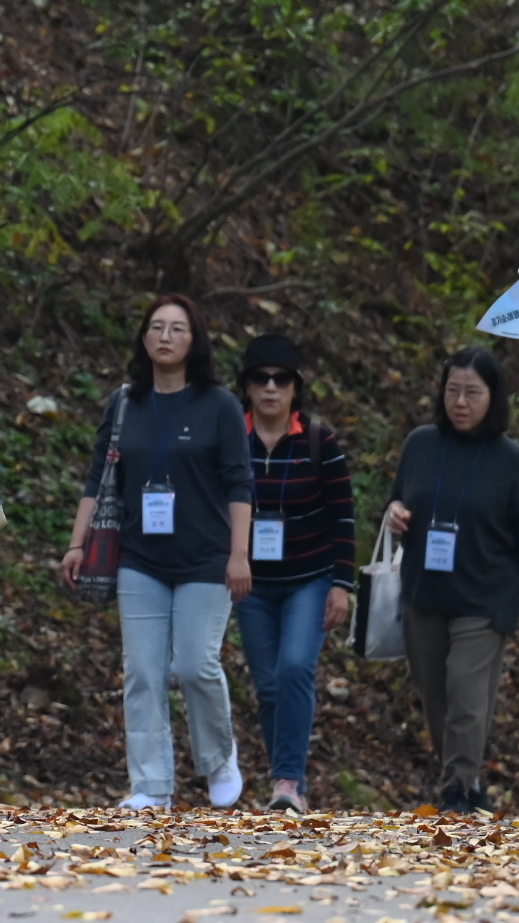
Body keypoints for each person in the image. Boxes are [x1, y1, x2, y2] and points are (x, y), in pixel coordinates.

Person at [61, 295, 252, 812]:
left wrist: (240, 554)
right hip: (139, 558)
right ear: (144, 338)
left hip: (205, 559)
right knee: (143, 672)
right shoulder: (126, 403)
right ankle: (151, 785)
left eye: (177, 329)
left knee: (195, 666)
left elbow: (239, 483)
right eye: (156, 328)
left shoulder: (220, 405)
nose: (165, 337)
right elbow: (98, 478)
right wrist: (77, 544)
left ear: (195, 341)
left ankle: (218, 760)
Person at [383, 348, 519, 814]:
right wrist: (396, 515)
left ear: (493, 398)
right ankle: (466, 779)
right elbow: (398, 502)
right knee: (436, 698)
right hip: (425, 592)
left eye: (472, 393)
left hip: (484, 598)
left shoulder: (510, 460)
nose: (460, 402)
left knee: (465, 692)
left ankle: (455, 790)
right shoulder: (420, 444)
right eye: (453, 391)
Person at [230, 334, 357, 815]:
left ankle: (288, 782)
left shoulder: (320, 441)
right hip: (252, 583)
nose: (269, 388)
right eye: (259, 378)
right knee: (266, 685)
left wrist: (342, 585)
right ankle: (282, 776)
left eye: (280, 379)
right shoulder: (231, 440)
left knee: (294, 668)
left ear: (295, 387)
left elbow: (344, 517)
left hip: (310, 577)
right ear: (246, 385)